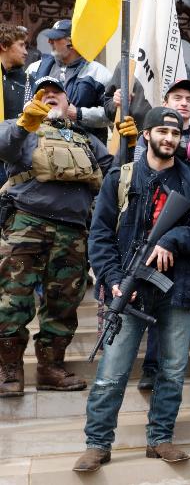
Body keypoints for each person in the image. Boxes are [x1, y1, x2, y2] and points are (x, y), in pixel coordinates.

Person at [74, 106, 190, 472]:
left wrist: (175, 238)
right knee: (112, 371)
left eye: (176, 134)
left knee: (172, 370)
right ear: (147, 135)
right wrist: (112, 279)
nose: (170, 139)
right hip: (130, 287)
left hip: (180, 289)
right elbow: (100, 236)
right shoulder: (120, 178)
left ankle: (160, 438)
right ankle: (97, 443)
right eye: (163, 132)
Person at [0, 77, 113, 397]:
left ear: (68, 104)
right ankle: (9, 368)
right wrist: (24, 124)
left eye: (57, 93)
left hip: (73, 231)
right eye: (43, 92)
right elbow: (2, 146)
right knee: (12, 301)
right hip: (26, 224)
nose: (50, 96)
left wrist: (133, 146)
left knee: (64, 303)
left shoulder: (85, 139)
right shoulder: (20, 128)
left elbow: (114, 175)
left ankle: (50, 367)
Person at [124, 78, 190, 390]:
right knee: (160, 302)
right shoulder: (153, 133)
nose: (184, 103)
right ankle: (152, 366)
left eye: (189, 100)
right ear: (166, 104)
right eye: (177, 97)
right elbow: (140, 170)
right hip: (159, 234)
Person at [25, 19, 112, 143]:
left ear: (71, 42)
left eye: (55, 38)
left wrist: (79, 114)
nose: (49, 41)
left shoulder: (99, 73)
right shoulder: (34, 69)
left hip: (86, 150)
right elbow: (24, 107)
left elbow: (111, 115)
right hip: (42, 146)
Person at [0, 23, 29, 188]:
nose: (26, 52)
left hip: (13, 158)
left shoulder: (27, 81)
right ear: (4, 45)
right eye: (21, 45)